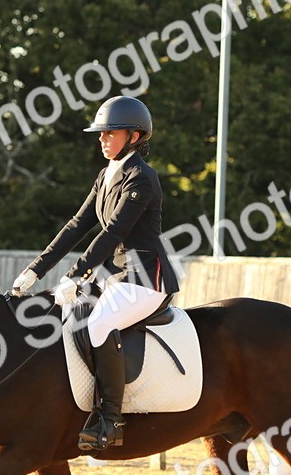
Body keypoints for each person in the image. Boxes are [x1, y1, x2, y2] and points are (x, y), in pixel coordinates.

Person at [12, 95, 181, 452]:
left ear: (134, 137)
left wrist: (75, 274)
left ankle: (111, 420)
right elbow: (77, 225)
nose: (101, 139)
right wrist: (36, 269)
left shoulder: (142, 180)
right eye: (100, 134)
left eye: (110, 133)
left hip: (146, 278)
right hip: (115, 276)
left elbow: (113, 232)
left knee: (100, 324)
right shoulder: (106, 175)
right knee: (67, 316)